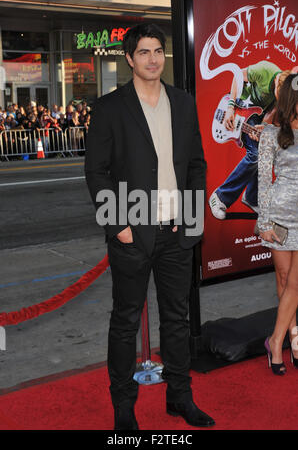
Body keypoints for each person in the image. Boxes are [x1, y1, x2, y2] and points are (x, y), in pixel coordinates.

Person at [85, 23, 215, 430]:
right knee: (125, 322)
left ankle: (180, 397)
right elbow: (96, 172)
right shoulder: (109, 108)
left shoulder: (183, 102)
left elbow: (195, 164)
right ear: (129, 58)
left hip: (177, 230)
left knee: (176, 320)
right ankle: (124, 406)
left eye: (158, 51)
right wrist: (117, 226)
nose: (153, 59)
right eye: (144, 52)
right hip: (131, 232)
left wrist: (192, 220)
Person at [209, 61, 292, 219]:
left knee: (263, 151)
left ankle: (251, 197)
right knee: (254, 154)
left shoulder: (282, 97)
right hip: (239, 107)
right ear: (278, 86)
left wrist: (261, 131)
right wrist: (230, 108)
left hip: (254, 117)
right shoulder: (265, 70)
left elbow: (268, 119)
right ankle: (220, 197)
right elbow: (237, 77)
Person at [257, 74, 298, 375]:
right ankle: (294, 340)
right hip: (280, 217)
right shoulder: (271, 135)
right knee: (284, 280)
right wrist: (263, 222)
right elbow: (262, 180)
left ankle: (275, 340)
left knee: (296, 284)